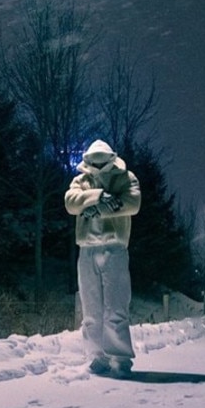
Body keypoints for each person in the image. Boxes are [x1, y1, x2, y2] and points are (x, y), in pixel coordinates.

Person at [65, 139, 141, 378]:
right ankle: (96, 356)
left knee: (116, 306)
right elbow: (70, 202)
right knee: (91, 309)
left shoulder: (126, 176)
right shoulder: (80, 179)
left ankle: (120, 357)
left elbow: (132, 202)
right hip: (87, 249)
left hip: (114, 248)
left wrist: (95, 208)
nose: (97, 164)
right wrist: (99, 197)